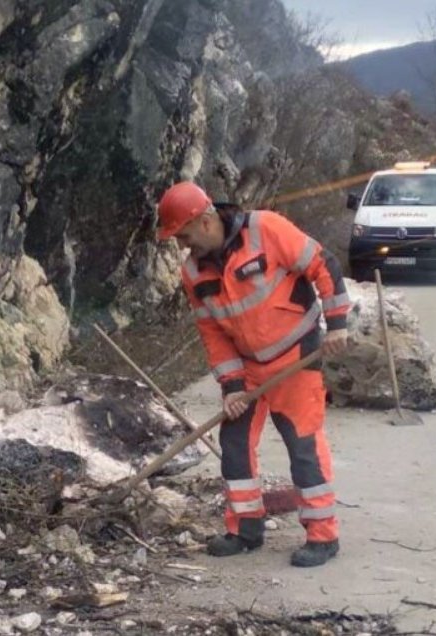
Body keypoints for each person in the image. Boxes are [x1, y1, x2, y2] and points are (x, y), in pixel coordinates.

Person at [156, 182, 350, 567]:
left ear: (206, 220)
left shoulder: (266, 229)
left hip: (296, 356)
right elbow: (212, 333)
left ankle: (322, 535)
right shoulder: (194, 273)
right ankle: (245, 529)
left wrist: (338, 323)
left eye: (184, 235)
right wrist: (231, 386)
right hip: (247, 369)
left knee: (304, 449)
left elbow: (323, 264)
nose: (182, 244)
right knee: (235, 446)